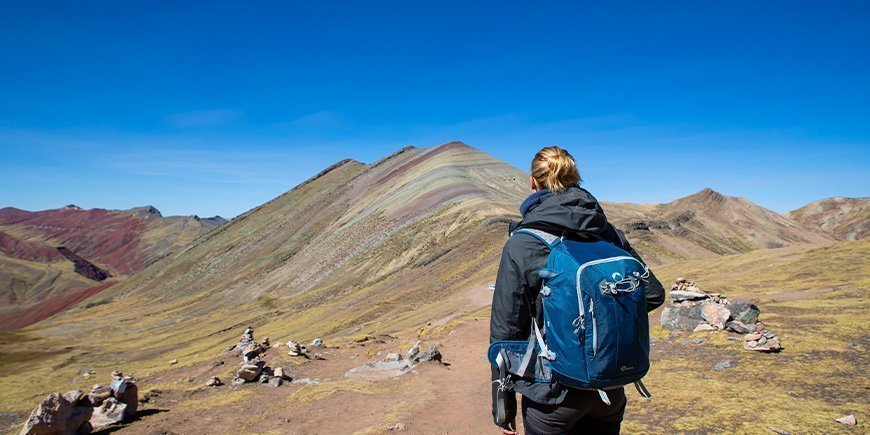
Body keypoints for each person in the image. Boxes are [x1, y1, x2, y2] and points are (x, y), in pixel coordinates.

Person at [490, 146, 665, 434]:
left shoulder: (523, 243)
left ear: (533, 182)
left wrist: (503, 405)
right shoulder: (607, 232)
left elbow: (506, 332)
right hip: (609, 388)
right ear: (575, 179)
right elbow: (652, 293)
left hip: (551, 395)